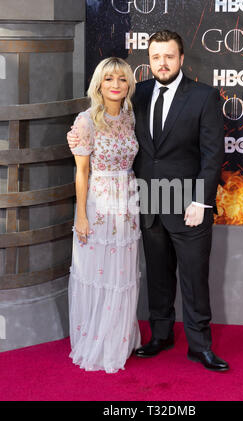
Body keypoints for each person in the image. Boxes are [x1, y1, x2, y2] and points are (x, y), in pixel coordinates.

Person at [68, 30, 229, 372]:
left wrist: (201, 202)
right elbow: (104, 119)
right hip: (145, 203)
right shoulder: (135, 94)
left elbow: (213, 155)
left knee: (194, 277)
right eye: (156, 57)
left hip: (188, 205)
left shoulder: (203, 96)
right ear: (149, 61)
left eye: (169, 56)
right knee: (157, 275)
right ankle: (161, 335)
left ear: (181, 59)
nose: (163, 63)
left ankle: (200, 346)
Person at [67, 57, 141, 373]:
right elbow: (81, 172)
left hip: (128, 201)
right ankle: (96, 341)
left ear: (129, 85)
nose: (115, 85)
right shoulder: (86, 121)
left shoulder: (130, 117)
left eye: (122, 79)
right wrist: (81, 216)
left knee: (122, 273)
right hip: (99, 203)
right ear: (98, 83)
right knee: (98, 274)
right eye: (109, 78)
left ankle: (118, 340)